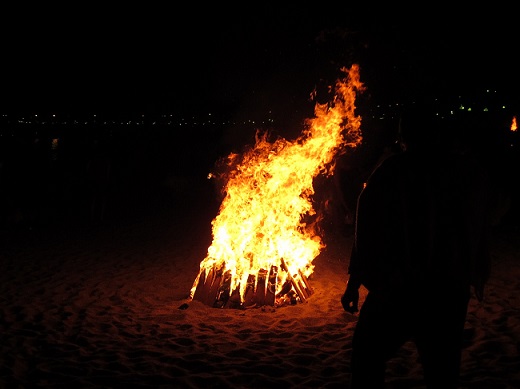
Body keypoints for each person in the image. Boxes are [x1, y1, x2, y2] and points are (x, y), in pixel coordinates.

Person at [341, 105, 491, 388]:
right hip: (448, 292)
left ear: (404, 137)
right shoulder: (464, 172)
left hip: (399, 290)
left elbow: (367, 228)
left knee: (366, 356)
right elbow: (486, 216)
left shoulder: (392, 171)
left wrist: (354, 283)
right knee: (442, 370)